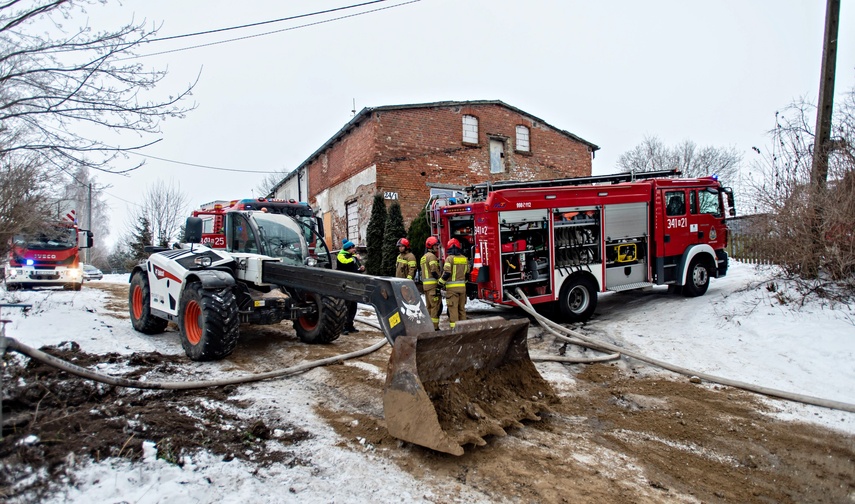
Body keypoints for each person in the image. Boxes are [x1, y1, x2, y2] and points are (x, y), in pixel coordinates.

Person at [438, 238, 469, 329]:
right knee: (462, 309)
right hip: (462, 289)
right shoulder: (464, 259)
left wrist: (440, 283)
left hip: (452, 290)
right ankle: (464, 329)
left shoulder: (449, 259)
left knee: (453, 309)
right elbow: (467, 273)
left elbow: (447, 273)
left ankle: (455, 330)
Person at [336, 239, 364, 334]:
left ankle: (349, 325)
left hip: (353, 284)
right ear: (349, 248)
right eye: (353, 248)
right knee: (345, 306)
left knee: (353, 306)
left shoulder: (351, 256)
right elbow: (346, 263)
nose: (354, 249)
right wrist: (355, 258)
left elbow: (353, 269)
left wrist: (360, 269)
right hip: (344, 284)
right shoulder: (341, 256)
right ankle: (342, 326)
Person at [420, 236, 442, 330]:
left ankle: (428, 327)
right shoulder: (432, 257)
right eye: (436, 245)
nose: (437, 247)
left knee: (428, 307)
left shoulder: (423, 257)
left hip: (426, 286)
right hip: (433, 286)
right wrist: (440, 280)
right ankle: (435, 327)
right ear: (431, 246)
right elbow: (434, 271)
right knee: (435, 307)